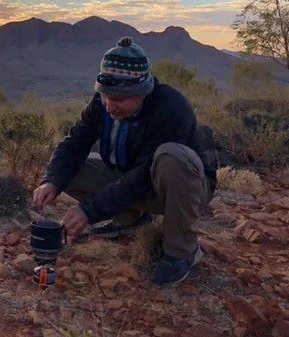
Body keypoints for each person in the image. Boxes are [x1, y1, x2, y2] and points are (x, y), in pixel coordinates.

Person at [32, 37, 216, 286]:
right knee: (70, 171)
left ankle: (183, 251)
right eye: (105, 96)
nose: (109, 106)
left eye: (118, 100)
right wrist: (52, 181)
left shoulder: (171, 106)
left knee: (172, 156)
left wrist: (90, 211)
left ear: (142, 92)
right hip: (133, 179)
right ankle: (130, 218)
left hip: (180, 186)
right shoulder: (101, 104)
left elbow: (142, 175)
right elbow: (74, 143)